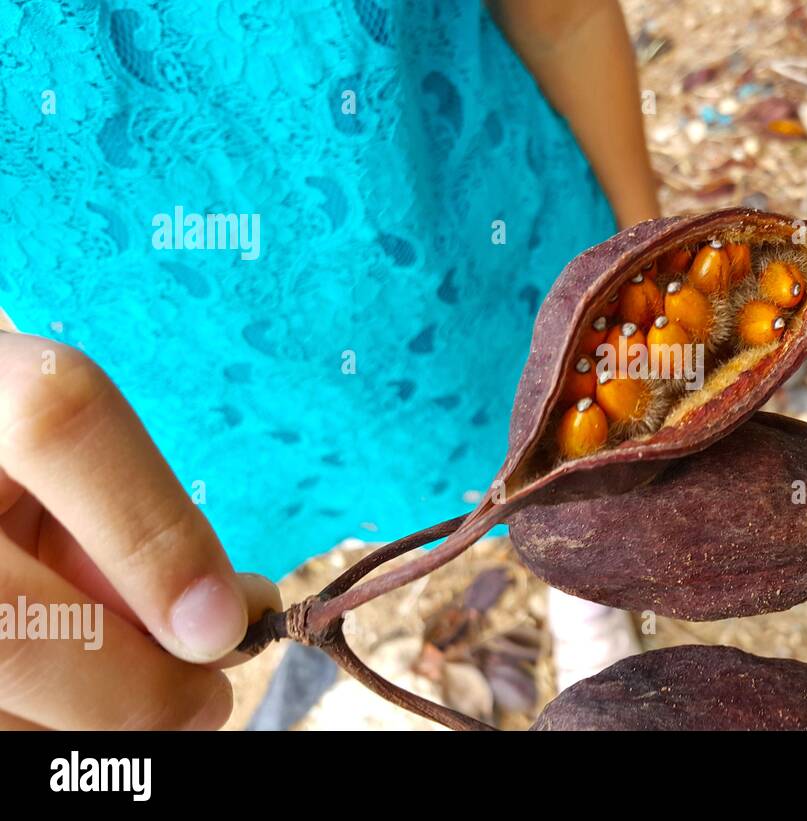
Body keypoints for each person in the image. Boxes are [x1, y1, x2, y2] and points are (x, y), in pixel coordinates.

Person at [0, 0, 657, 729]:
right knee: (215, 574)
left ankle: (586, 583)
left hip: (487, 286)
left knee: (573, 461)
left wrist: (648, 263)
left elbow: (562, 19)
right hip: (192, 403)